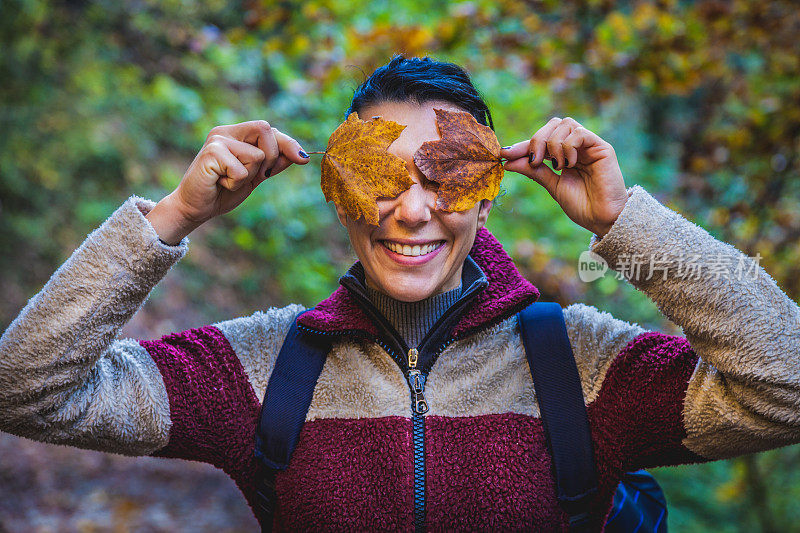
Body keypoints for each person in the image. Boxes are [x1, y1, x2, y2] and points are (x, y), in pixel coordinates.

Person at [1, 55, 798, 532]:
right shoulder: (260, 369)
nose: (412, 208)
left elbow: (787, 384)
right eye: (379, 177)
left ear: (488, 195)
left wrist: (627, 222)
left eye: (447, 176)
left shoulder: (582, 367)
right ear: (338, 190)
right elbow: (25, 388)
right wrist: (173, 217)